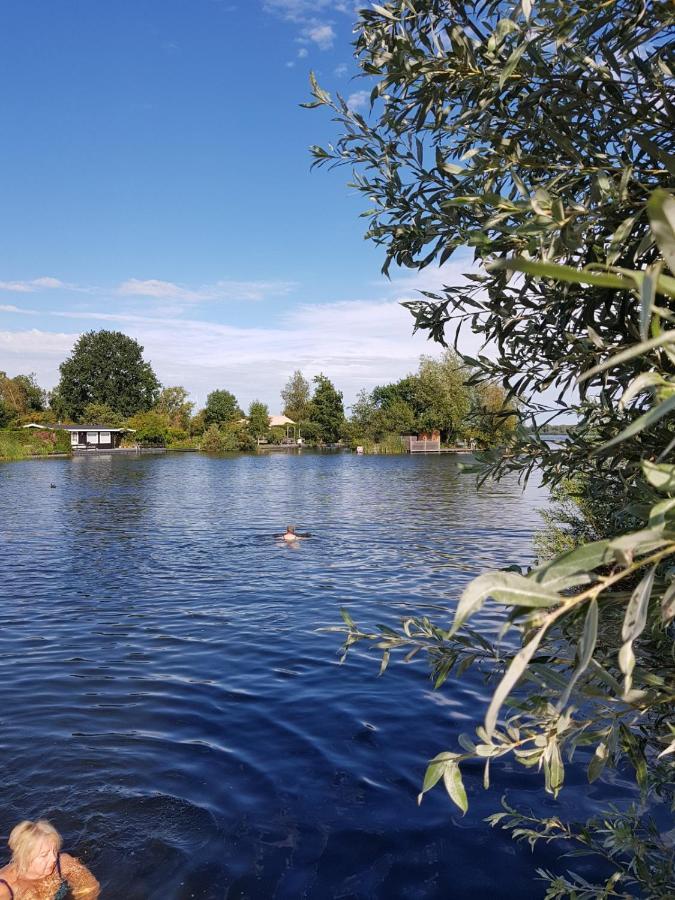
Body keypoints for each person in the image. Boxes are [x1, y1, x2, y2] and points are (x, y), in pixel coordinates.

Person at [0, 819, 99, 899]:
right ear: (24, 857)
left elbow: (91, 888)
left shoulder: (63, 862)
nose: (53, 858)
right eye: (44, 855)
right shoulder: (5, 888)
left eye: (54, 850)